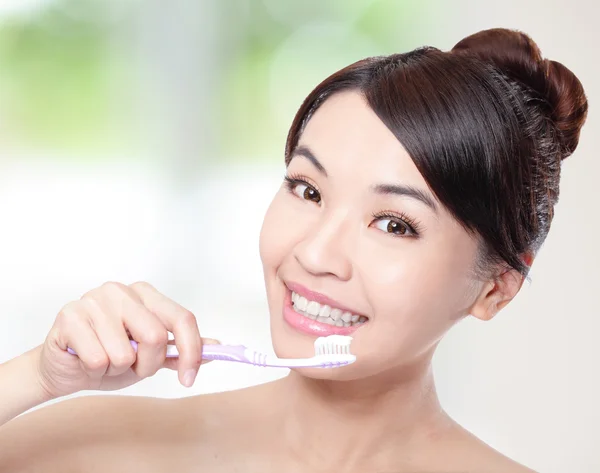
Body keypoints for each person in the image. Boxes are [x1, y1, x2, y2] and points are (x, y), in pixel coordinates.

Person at [0, 27, 588, 472]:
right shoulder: (99, 448)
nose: (314, 253)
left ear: (495, 288)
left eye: (393, 224)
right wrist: (36, 378)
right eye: (307, 189)